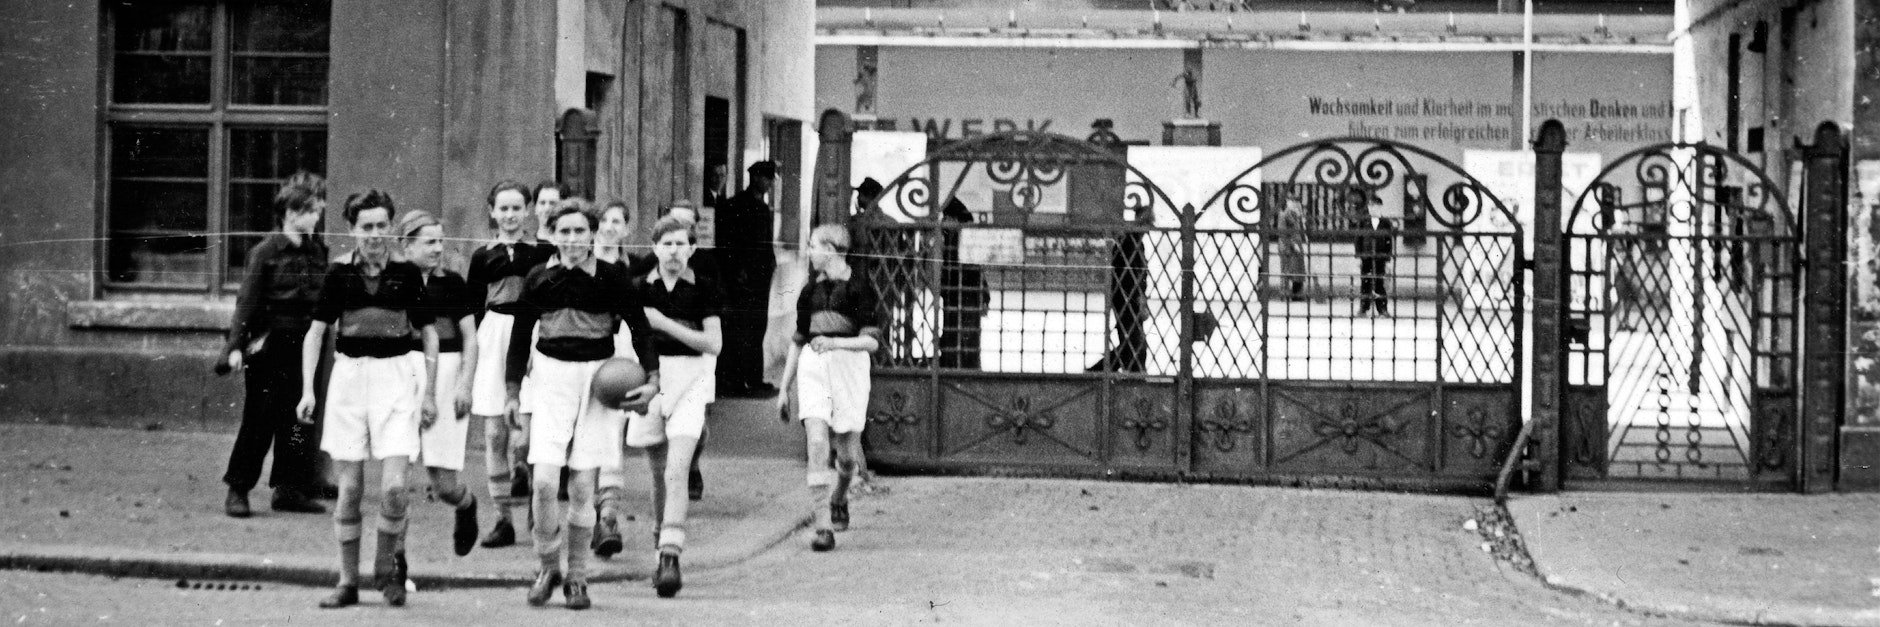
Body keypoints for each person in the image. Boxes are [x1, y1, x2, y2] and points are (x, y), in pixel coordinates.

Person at [506, 200, 661, 609]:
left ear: (592, 234)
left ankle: (577, 576)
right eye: (565, 232)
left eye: (580, 232)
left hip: (598, 380)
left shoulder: (613, 277)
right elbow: (520, 337)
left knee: (580, 486)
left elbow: (641, 328)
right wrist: (510, 393)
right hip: (551, 378)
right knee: (542, 481)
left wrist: (652, 380)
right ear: (553, 235)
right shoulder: (539, 277)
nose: (573, 239)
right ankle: (546, 565)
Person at [295, 189, 439, 609]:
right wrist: (308, 390)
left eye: (381, 225)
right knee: (350, 490)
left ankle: (383, 568)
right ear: (352, 229)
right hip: (350, 381)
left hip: (396, 380)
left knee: (395, 489)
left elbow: (427, 331)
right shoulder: (339, 273)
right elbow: (317, 332)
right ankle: (346, 581)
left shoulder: (407, 273)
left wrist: (428, 391)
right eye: (366, 227)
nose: (374, 234)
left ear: (391, 227)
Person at [218, 171, 330, 518]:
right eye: (312, 211)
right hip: (272, 345)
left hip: (308, 344)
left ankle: (289, 488)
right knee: (260, 419)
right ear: (292, 213)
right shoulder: (265, 252)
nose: (317, 217)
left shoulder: (317, 251)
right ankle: (238, 488)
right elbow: (246, 303)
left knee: (299, 419)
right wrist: (235, 346)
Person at [624, 215, 724, 597]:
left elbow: (712, 344)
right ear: (654, 248)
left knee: (677, 468)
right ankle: (659, 541)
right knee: (658, 471)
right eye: (666, 244)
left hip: (692, 378)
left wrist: (664, 323)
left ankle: (670, 556)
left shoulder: (705, 288)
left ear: (692, 249)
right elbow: (628, 340)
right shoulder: (638, 288)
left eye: (681, 244)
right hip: (650, 377)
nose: (673, 251)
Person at [779, 225, 881, 552]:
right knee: (818, 441)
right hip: (814, 367)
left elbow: (870, 342)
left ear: (833, 250)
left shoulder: (860, 289)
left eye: (813, 246)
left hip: (848, 368)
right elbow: (798, 341)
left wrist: (835, 342)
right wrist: (784, 388)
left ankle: (839, 496)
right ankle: (822, 525)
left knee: (848, 457)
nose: (809, 252)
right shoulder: (809, 292)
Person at [465, 180, 555, 549]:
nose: (510, 215)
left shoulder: (543, 252)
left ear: (528, 210)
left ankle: (538, 509)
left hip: (532, 335)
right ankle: (503, 519)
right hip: (495, 335)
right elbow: (471, 308)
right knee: (495, 433)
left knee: (530, 436)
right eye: (503, 208)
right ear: (492, 211)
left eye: (517, 208)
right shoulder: (483, 256)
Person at [397, 211, 481, 557]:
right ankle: (396, 558)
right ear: (406, 245)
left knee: (443, 484)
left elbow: (471, 339)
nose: (437, 249)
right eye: (429, 242)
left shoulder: (453, 283)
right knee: (397, 476)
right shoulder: (396, 282)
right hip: (404, 369)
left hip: (446, 374)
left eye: (440, 241)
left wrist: (465, 384)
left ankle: (466, 505)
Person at [716, 161, 780, 398]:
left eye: (771, 179)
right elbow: (729, 243)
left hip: (760, 278)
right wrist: (737, 270)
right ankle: (735, 380)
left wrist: (771, 264)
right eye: (767, 178)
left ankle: (753, 379)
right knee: (739, 328)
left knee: (757, 327)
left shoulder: (763, 208)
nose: (770, 184)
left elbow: (765, 243)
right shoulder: (736, 205)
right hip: (742, 280)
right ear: (755, 178)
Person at [937, 198, 987, 370]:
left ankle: (962, 370)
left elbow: (975, 272)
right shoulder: (953, 239)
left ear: (956, 220)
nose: (943, 222)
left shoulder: (961, 240)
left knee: (962, 338)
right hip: (957, 296)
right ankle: (959, 368)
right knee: (958, 337)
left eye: (947, 218)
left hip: (964, 297)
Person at [1356, 214, 1395, 317]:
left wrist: (1387, 259)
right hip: (1366, 255)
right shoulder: (1363, 221)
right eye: (1371, 206)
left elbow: (1388, 241)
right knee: (1365, 282)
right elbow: (1358, 239)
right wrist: (1359, 256)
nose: (1373, 208)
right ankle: (1363, 308)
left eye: (1376, 206)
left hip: (1380, 256)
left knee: (1379, 282)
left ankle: (1382, 309)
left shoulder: (1385, 222)